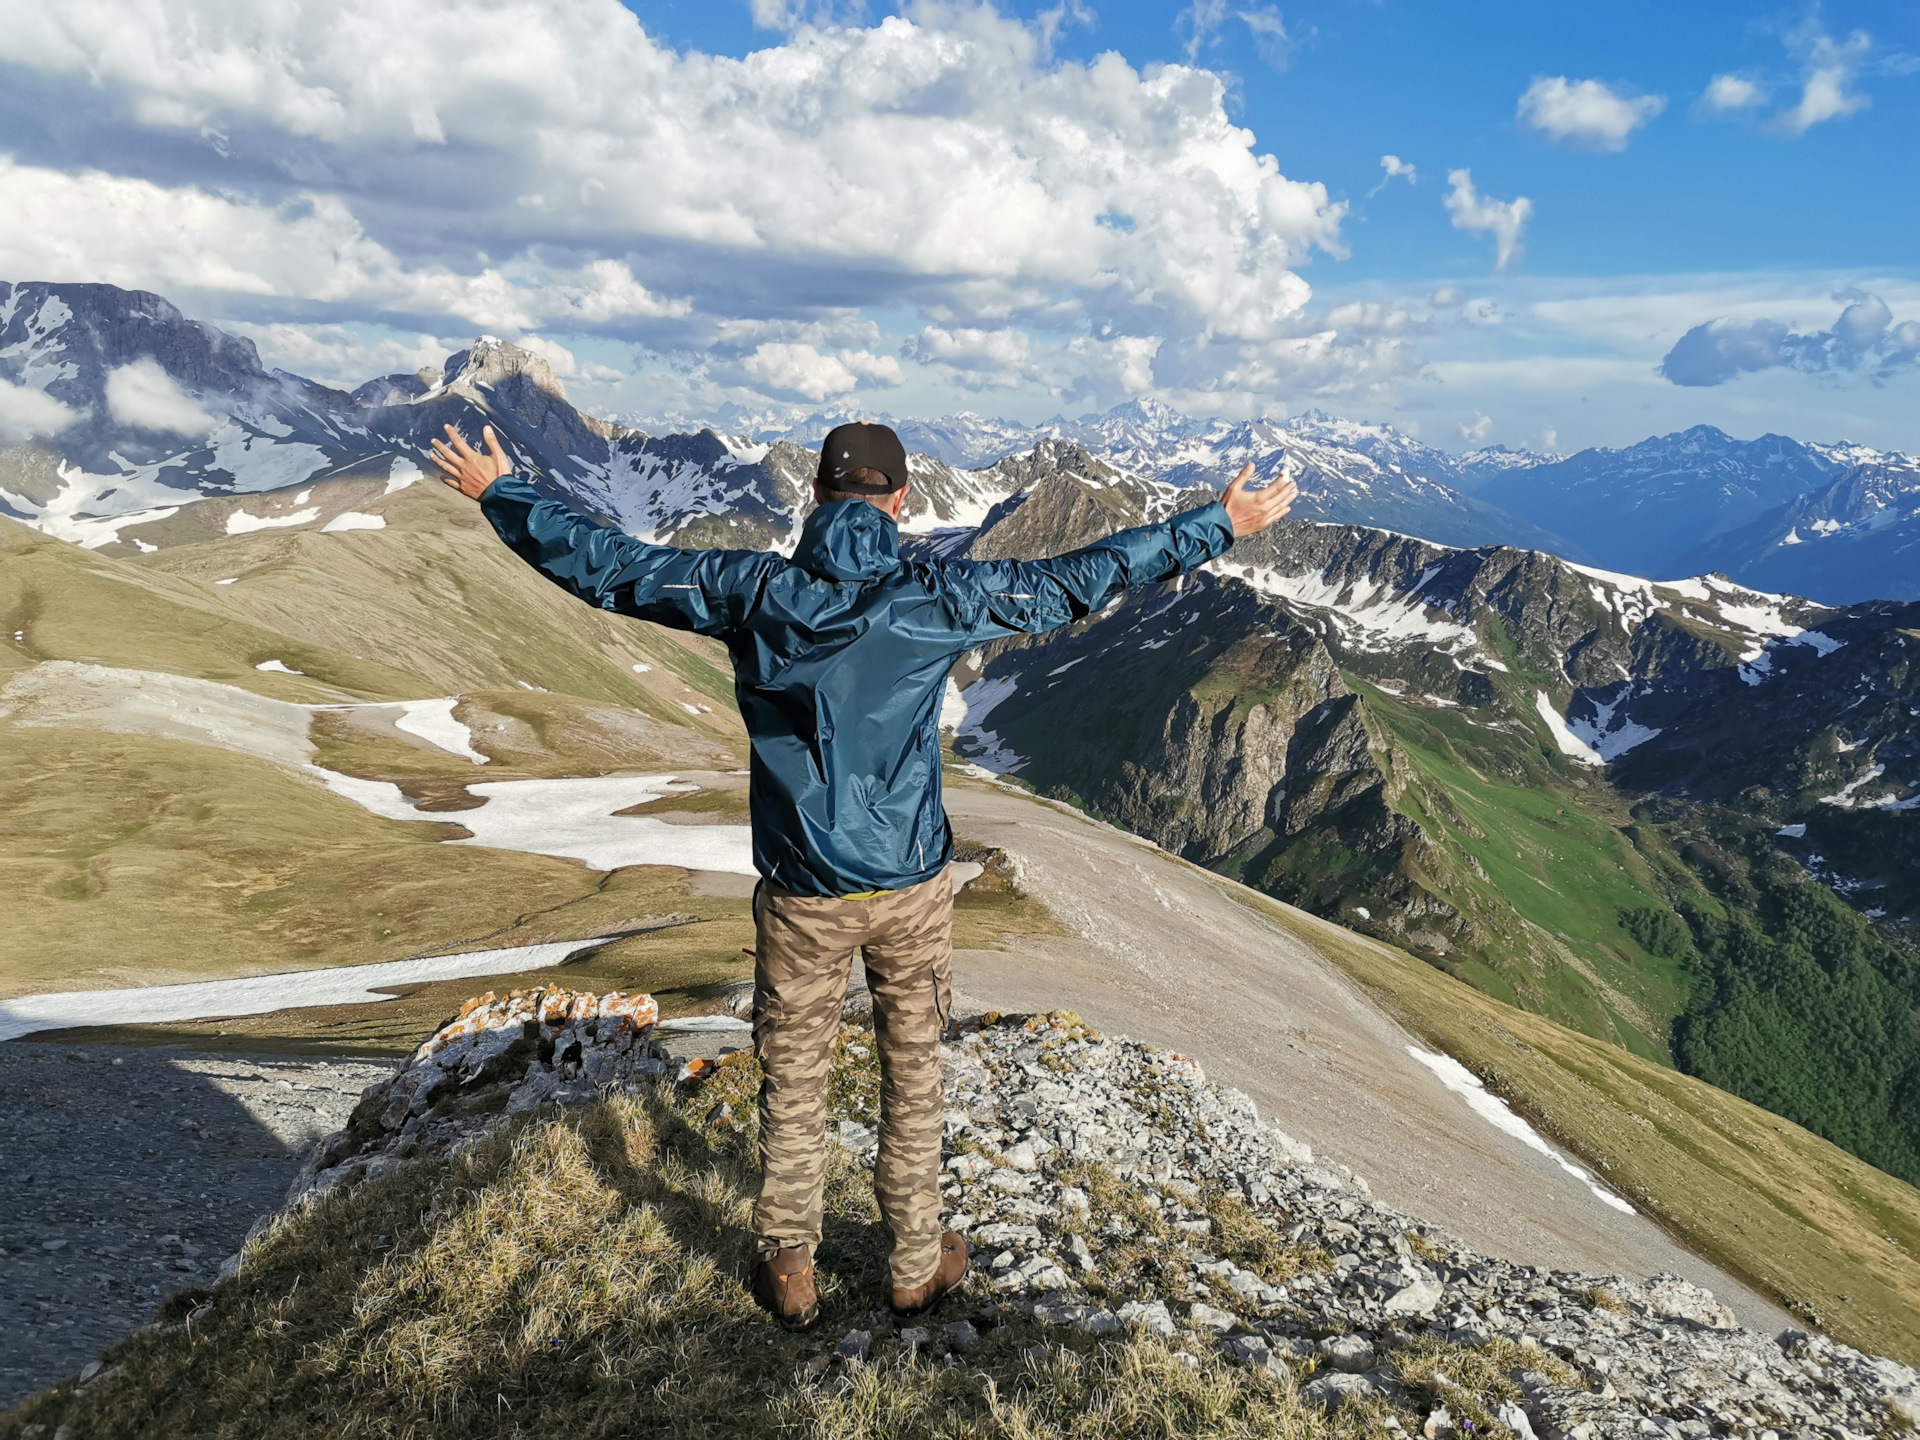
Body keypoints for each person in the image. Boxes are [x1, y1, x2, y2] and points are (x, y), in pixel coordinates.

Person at [429, 418, 1297, 1330]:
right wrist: (1217, 525)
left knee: (794, 1075)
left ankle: (788, 1269)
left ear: (816, 496)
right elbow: (1076, 580)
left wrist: (503, 493)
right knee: (912, 1073)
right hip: (910, 886)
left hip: (803, 890)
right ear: (900, 501)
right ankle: (916, 1266)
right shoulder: (939, 594)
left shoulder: (750, 590)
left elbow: (612, 567)